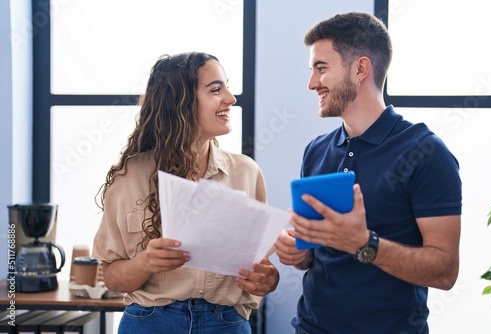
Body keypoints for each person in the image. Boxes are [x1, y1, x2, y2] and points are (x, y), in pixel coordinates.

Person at [274, 12, 461, 334]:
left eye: (321, 68)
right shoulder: (316, 150)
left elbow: (444, 271)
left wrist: (363, 243)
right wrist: (298, 252)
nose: (312, 83)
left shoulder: (427, 152)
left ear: (360, 69)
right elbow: (317, 256)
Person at [92, 52, 279, 334]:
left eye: (226, 87)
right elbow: (112, 277)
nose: (230, 98)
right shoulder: (129, 177)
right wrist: (145, 263)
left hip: (227, 324)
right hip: (150, 323)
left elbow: (261, 270)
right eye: (216, 89)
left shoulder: (247, 173)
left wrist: (268, 281)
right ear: (181, 102)